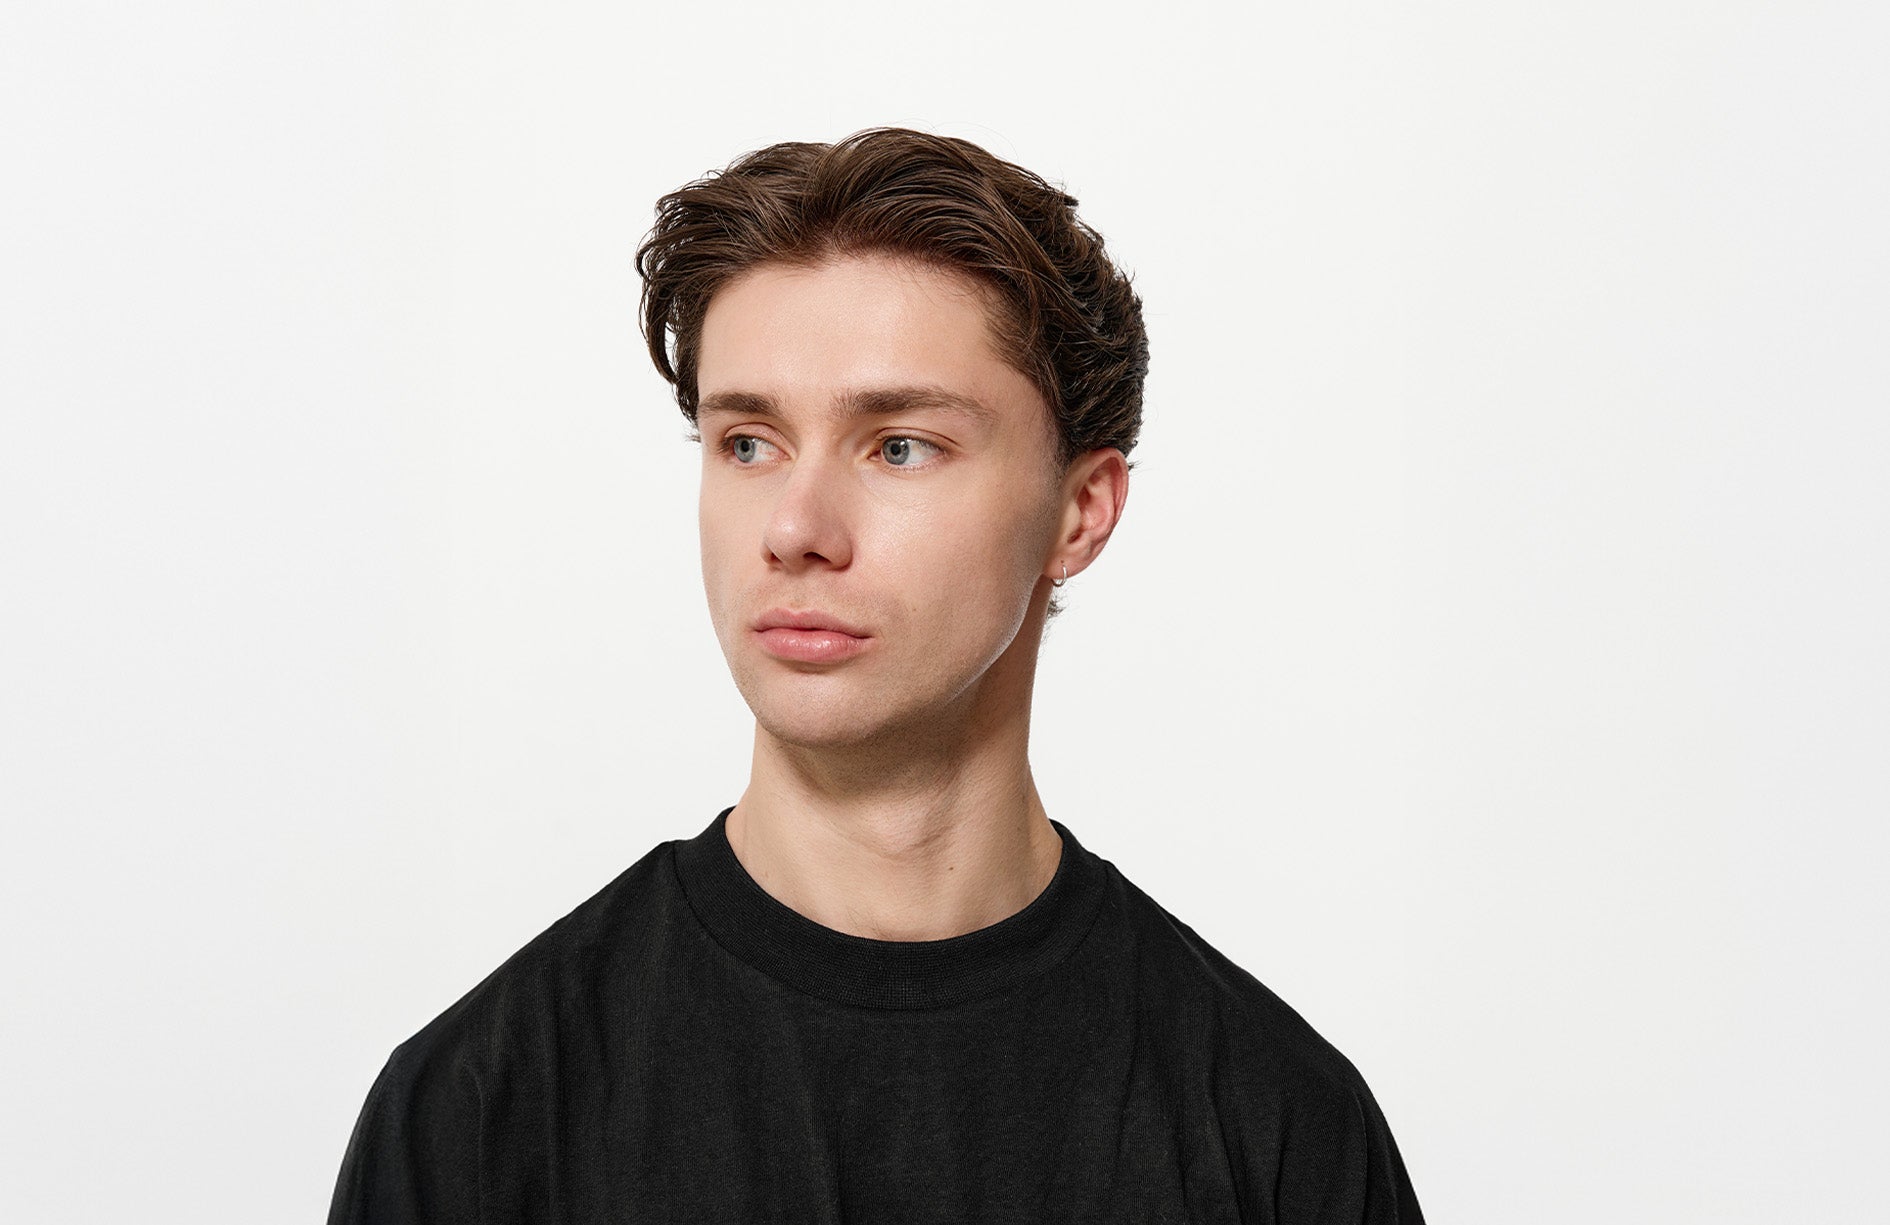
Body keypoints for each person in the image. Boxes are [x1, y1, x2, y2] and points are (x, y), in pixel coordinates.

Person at [327, 127, 1425, 1224]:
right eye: (748, 443)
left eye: (899, 445)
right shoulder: (481, 1116)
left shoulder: (1279, 1130)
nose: (794, 529)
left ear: (1080, 512)